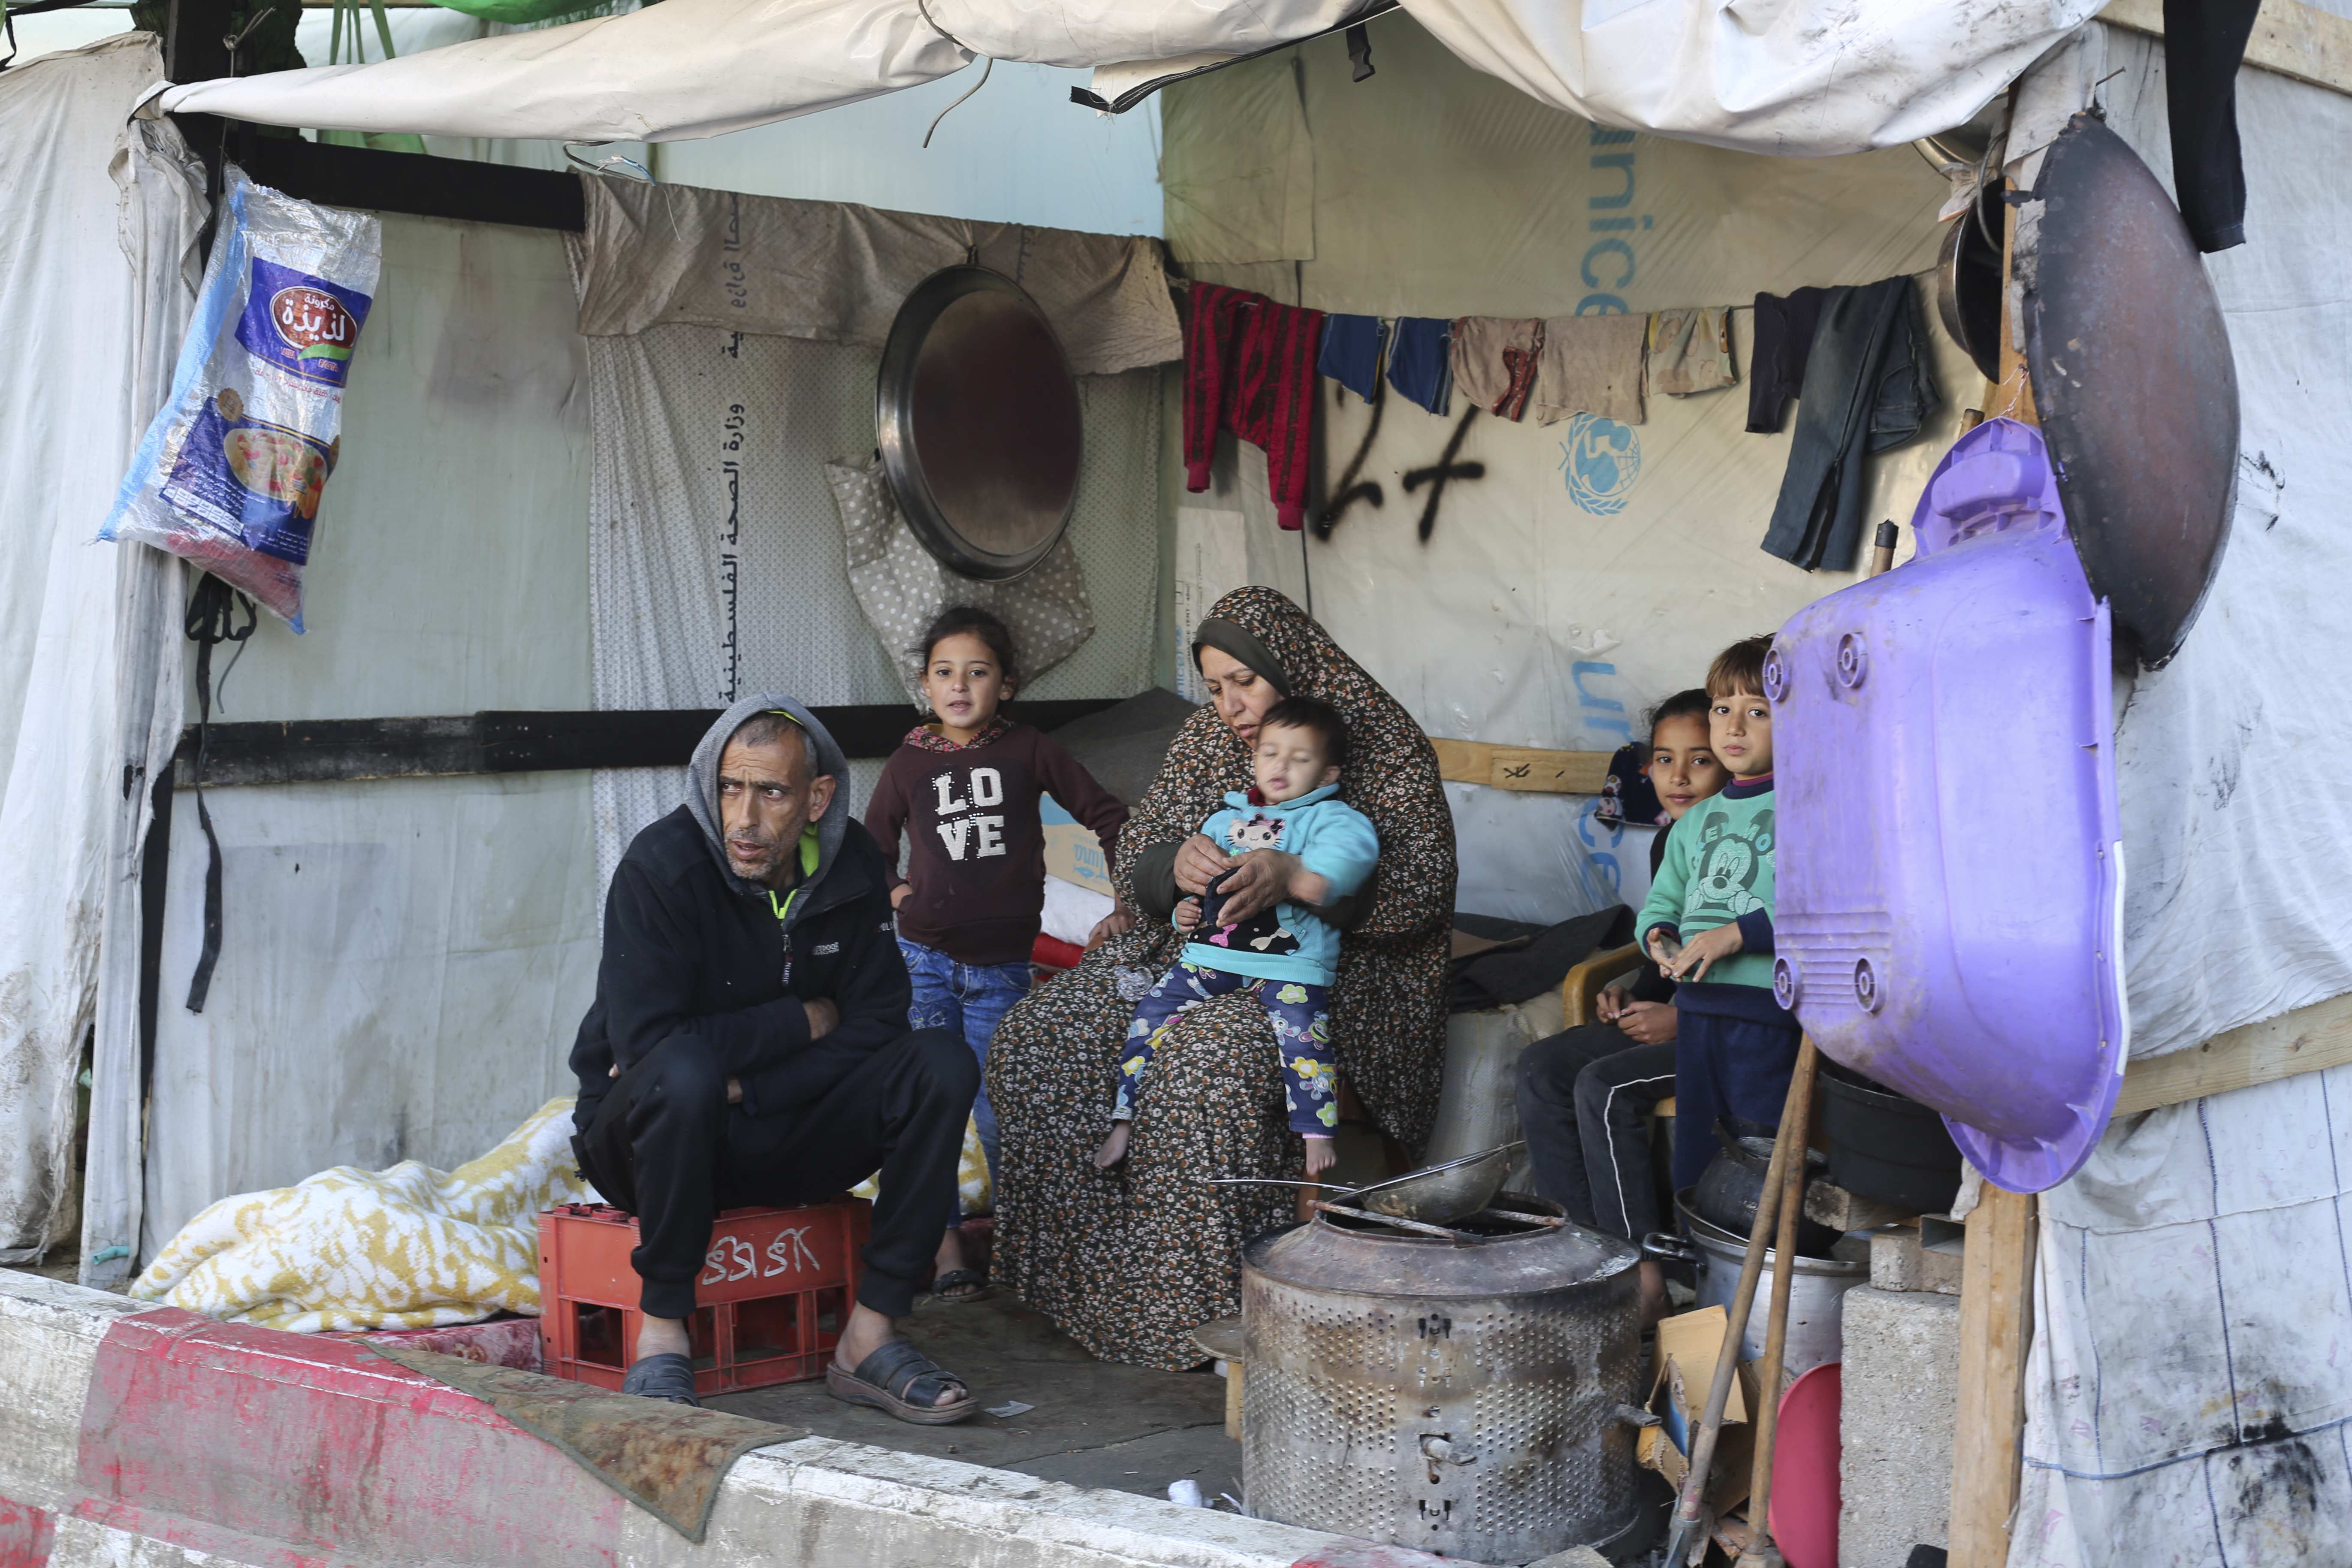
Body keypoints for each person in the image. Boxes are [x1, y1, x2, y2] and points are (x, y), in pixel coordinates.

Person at [985, 587, 1456, 1370]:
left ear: (1289, 667)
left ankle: (1203, 1317)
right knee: (1041, 1036)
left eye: (1244, 682)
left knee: (1201, 1065)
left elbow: (1418, 895)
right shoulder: (1210, 739)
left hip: (1337, 978)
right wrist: (1174, 866)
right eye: (1213, 687)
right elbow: (1140, 850)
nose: (1230, 707)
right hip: (1199, 954)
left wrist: (1292, 874)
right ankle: (1090, 1292)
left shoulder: (1379, 743)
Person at [568, 695, 977, 1423]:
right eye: (730, 787)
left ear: (817, 798)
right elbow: (647, 1047)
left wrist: (748, 1087)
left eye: (772, 792)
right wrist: (802, 1019)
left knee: (940, 1062)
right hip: (654, 1147)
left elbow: (879, 1022)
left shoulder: (851, 863)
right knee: (683, 1072)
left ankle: (870, 1335)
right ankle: (662, 1335)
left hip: (783, 1127)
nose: (744, 819)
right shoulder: (661, 869)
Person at [863, 606, 1131, 1303]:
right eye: (944, 673)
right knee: (930, 1116)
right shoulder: (908, 761)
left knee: (999, 1114)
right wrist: (894, 892)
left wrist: (1123, 902)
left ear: (1005, 685)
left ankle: (1021, 1254)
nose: (960, 686)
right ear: (924, 685)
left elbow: (1107, 815)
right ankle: (948, 1250)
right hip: (922, 964)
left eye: (977, 673)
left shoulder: (1030, 750)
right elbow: (870, 844)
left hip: (1001, 972)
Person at [1093, 696, 1378, 1177]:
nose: (1281, 766)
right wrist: (1184, 910)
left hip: (1288, 965)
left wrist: (1308, 874)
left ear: (1327, 775)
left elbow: (1349, 855)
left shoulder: (1330, 818)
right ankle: (1124, 1116)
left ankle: (1315, 1132)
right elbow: (1201, 889)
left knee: (1304, 1039)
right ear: (1253, 758)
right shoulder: (1224, 820)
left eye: (1299, 757)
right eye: (1270, 753)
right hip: (1209, 955)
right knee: (1149, 1018)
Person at [1514, 689, 1725, 1321]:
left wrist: (1680, 1017)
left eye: (1699, 760)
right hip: (1677, 1014)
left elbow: (1762, 968)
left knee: (1603, 1085)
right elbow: (1673, 944)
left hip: (1726, 1028)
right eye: (1664, 759)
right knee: (1540, 1067)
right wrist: (1634, 991)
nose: (1678, 777)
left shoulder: (1754, 843)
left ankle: (1643, 1271)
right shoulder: (1671, 842)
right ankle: (1585, 1255)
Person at [1638, 636, 1801, 1198]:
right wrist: (1657, 937)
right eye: (1721, 709)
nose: (1733, 727)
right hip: (1698, 1009)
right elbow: (1662, 903)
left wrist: (1737, 933)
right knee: (1698, 1150)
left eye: (1757, 711)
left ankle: (1754, 1273)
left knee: (1758, 1153)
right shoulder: (1692, 822)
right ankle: (1701, 1266)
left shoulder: (1811, 806)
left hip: (1767, 1013)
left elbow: (1827, 909)